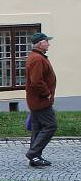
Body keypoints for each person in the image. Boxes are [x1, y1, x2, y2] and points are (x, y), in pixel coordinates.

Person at [25, 32, 57, 167]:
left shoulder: (37, 57)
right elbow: (36, 81)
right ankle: (33, 153)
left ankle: (35, 157)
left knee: (37, 128)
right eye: (46, 41)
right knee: (50, 125)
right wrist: (47, 94)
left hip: (37, 100)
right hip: (40, 100)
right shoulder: (37, 59)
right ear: (40, 43)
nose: (48, 44)